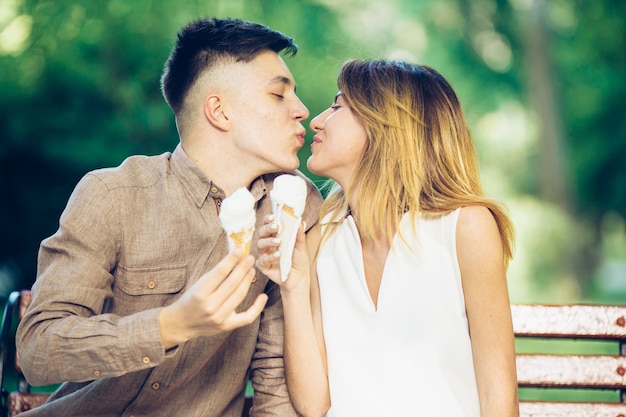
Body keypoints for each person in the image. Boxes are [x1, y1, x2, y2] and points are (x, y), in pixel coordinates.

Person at [16, 17, 322, 416]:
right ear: (219, 111)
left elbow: (273, 379)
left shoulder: (294, 206)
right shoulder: (114, 194)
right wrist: (172, 325)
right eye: (278, 95)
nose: (301, 110)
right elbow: (39, 348)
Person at [257, 59, 519, 416]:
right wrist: (293, 287)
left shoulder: (465, 227)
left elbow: (498, 397)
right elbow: (314, 403)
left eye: (337, 106)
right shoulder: (321, 236)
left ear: (385, 126)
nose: (316, 120)